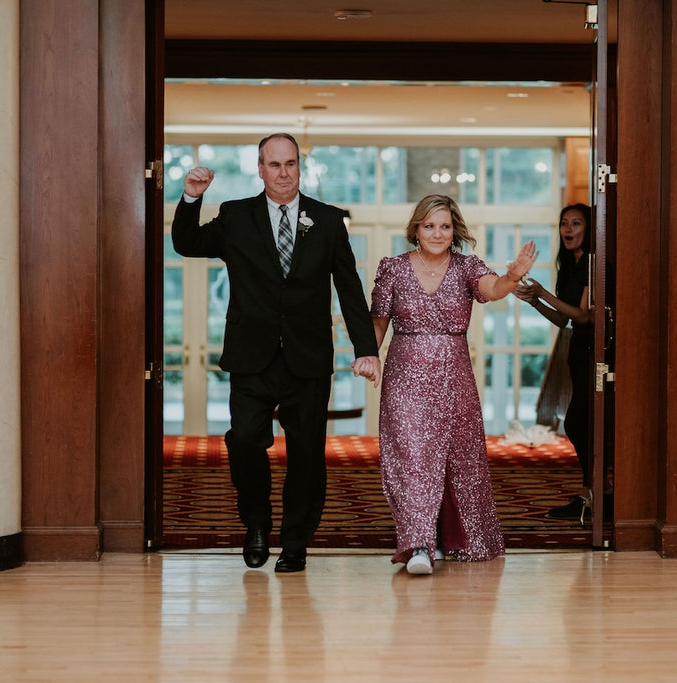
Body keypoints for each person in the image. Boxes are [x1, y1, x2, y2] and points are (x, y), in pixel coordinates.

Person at [171, 133, 381, 573]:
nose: (283, 173)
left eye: (290, 164)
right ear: (260, 168)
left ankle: (296, 543)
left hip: (308, 360)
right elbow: (186, 243)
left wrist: (366, 349)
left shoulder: (326, 220)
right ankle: (257, 524)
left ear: (299, 168)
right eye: (274, 165)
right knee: (245, 441)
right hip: (251, 357)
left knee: (306, 454)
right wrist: (191, 197)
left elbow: (348, 286)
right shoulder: (235, 216)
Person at [370, 194, 538, 575]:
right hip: (405, 376)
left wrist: (512, 276)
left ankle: (451, 538)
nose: (437, 233)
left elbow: (492, 289)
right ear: (416, 229)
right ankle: (417, 546)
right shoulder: (393, 268)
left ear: (454, 230)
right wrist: (368, 354)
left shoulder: (466, 267)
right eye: (429, 225)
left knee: (454, 458)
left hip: (454, 377)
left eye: (445, 226)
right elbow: (378, 321)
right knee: (412, 457)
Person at [514, 203, 594, 523]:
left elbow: (584, 315)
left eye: (576, 224)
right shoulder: (570, 266)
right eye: (564, 224)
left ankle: (594, 494)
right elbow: (563, 319)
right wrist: (535, 301)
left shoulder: (592, 262)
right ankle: (591, 493)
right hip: (577, 349)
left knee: (578, 423)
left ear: (589, 229)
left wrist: (543, 291)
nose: (569, 230)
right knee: (579, 424)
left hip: (594, 352)